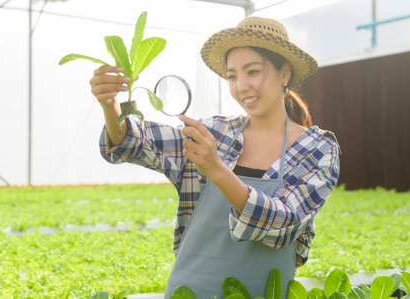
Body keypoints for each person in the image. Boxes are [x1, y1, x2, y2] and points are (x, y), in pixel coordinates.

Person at [90, 16, 340, 299]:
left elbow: (283, 225)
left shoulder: (317, 149)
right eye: (232, 76)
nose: (241, 86)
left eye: (253, 71)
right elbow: (134, 143)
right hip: (189, 290)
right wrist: (110, 105)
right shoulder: (216, 132)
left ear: (284, 73)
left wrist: (218, 170)